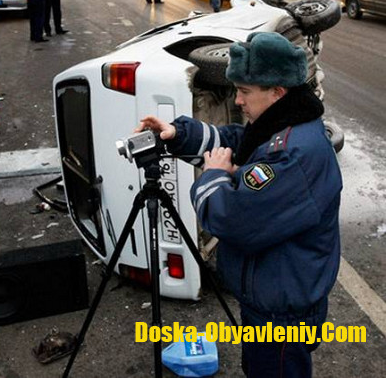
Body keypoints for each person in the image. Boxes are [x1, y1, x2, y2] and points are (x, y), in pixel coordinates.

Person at [137, 32, 342, 378]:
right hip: (270, 294)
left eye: (245, 91)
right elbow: (240, 144)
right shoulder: (283, 123)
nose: (238, 100)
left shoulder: (294, 154)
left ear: (277, 92)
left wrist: (213, 176)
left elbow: (231, 219)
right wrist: (178, 133)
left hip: (281, 313)